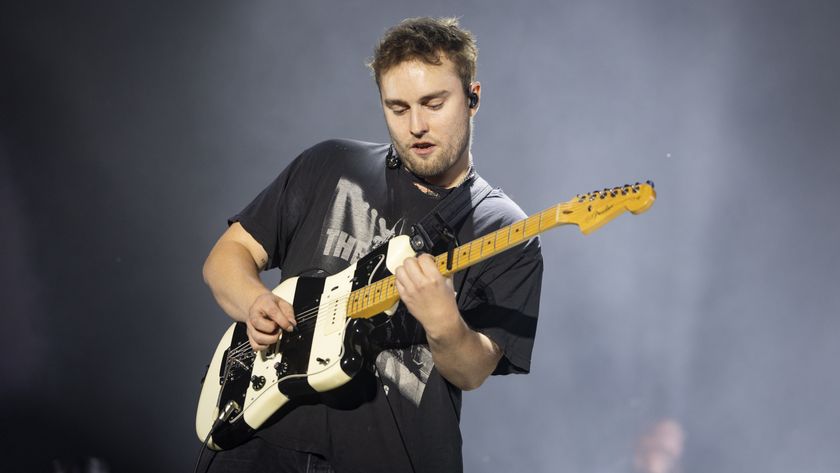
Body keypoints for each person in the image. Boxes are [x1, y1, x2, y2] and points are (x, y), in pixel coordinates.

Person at [201, 17, 543, 473]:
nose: (416, 125)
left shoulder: (505, 230)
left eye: (433, 104)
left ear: (473, 98)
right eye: (398, 108)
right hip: (258, 440)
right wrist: (254, 302)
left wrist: (444, 323)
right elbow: (226, 257)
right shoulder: (330, 162)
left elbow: (471, 371)